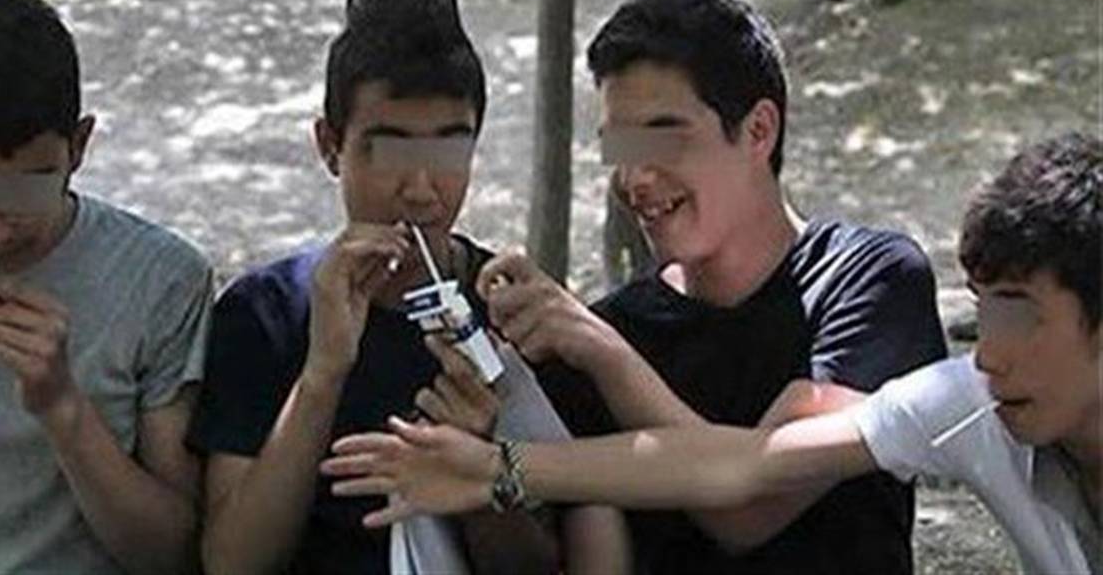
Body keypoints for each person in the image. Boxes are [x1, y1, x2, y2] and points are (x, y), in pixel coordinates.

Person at [331, 0, 947, 573]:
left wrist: (603, 364)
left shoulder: (868, 280)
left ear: (759, 130)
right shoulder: (608, 331)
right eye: (619, 148)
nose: (635, 179)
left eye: (663, 139)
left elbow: (755, 500)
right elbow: (590, 545)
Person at [322, 131, 1101, 575]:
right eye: (984, 310)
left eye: (1021, 315)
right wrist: (499, 471)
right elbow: (745, 465)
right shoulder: (968, 404)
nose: (989, 354)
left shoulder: (865, 272)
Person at [186, 0, 627, 575]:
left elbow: (539, 564)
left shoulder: (518, 316)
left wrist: (478, 470)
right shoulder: (264, 313)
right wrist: (322, 373)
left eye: (448, 152)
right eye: (389, 150)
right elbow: (233, 562)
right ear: (330, 146)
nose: (421, 190)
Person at [0, 0, 214, 574]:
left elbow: (171, 554)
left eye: (27, 187)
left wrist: (62, 406)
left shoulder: (162, 281)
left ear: (80, 145)